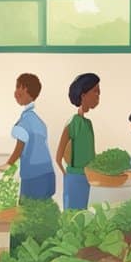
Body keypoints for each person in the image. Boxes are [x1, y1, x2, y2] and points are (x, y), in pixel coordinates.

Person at [0, 73, 54, 201]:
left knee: (27, 213)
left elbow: (20, 147)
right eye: (17, 87)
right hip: (47, 174)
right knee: (41, 212)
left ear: (28, 92)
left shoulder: (26, 121)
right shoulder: (39, 121)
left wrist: (8, 164)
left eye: (20, 88)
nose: (17, 92)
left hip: (33, 177)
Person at [55, 72, 100, 210]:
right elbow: (58, 156)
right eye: (95, 92)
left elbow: (91, 154)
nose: (98, 96)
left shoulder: (88, 124)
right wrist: (68, 175)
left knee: (84, 214)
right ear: (83, 95)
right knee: (73, 216)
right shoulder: (73, 122)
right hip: (74, 179)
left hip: (88, 177)